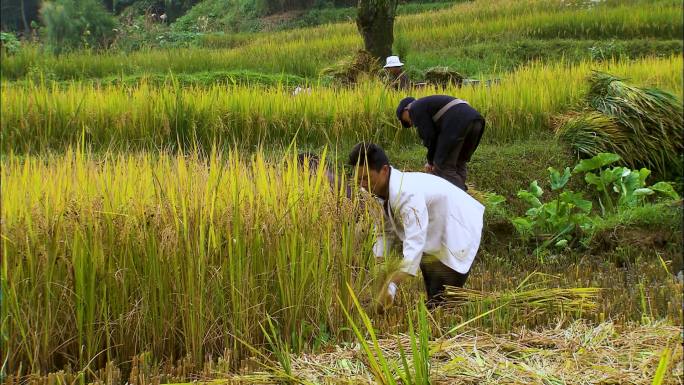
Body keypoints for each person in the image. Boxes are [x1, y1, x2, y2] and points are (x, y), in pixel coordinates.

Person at [348, 142, 484, 309]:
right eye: (358, 178)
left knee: (443, 298)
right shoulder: (374, 190)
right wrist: (380, 265)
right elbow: (384, 231)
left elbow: (414, 244)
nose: (362, 184)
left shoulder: (407, 194)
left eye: (366, 178)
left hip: (458, 225)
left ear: (384, 170)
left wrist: (391, 284)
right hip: (434, 229)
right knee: (431, 276)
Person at [396, 95, 485, 191]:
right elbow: (437, 138)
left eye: (404, 119)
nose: (411, 123)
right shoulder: (429, 106)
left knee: (443, 166)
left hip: (458, 122)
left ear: (405, 110)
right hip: (476, 121)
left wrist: (431, 162)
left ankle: (461, 197)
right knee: (459, 162)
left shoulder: (414, 108)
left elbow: (429, 137)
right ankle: (461, 191)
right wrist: (432, 160)